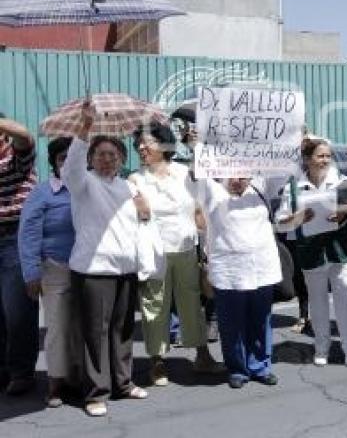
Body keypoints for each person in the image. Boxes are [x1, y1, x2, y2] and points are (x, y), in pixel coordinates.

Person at [63, 102, 150, 417]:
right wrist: (85, 129)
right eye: (100, 154)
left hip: (125, 270)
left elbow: (140, 222)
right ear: (91, 159)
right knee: (94, 333)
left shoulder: (128, 186)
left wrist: (144, 208)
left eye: (113, 155)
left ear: (122, 160)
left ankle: (123, 384)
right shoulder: (83, 183)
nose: (106, 159)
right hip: (93, 270)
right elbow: (71, 166)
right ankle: (95, 393)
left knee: (122, 330)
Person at [185, 130, 282, 389]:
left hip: (262, 268)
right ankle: (238, 369)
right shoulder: (213, 192)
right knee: (232, 323)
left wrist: (290, 138)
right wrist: (197, 146)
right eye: (234, 173)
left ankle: (260, 366)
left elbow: (282, 167)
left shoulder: (262, 189)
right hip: (228, 270)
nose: (239, 178)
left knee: (261, 320)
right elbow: (199, 174)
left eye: (244, 173)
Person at [130, 122, 223, 387]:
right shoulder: (136, 179)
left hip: (185, 248)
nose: (141, 147)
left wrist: (207, 248)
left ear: (165, 145)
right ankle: (157, 361)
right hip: (154, 253)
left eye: (147, 142)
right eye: (138, 144)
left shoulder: (184, 173)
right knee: (154, 306)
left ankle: (202, 354)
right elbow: (136, 215)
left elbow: (199, 210)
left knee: (191, 304)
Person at [276, 138, 347, 366]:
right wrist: (298, 217)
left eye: (327, 156)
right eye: (319, 156)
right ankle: (321, 347)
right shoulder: (293, 187)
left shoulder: (340, 181)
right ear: (307, 159)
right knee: (317, 302)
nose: (324, 160)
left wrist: (341, 211)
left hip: (339, 250)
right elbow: (281, 223)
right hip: (311, 251)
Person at [17, 137, 79, 407]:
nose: (67, 163)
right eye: (62, 158)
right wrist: (31, 273)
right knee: (58, 327)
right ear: (54, 162)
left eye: (72, 158)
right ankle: (55, 381)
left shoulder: (87, 188)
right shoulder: (42, 194)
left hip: (89, 268)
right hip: (55, 268)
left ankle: (78, 377)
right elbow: (28, 235)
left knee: (83, 327)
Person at [0, 113, 39, 397]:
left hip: (14, 237)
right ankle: (3, 370)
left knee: (18, 312)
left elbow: (25, 135)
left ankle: (21, 372)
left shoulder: (16, 156)